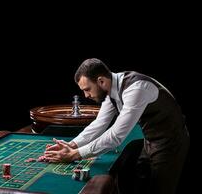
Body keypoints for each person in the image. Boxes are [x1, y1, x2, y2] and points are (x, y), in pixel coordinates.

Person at [45, 58, 190, 194]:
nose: (86, 95)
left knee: (159, 189)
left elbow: (115, 136)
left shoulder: (136, 89)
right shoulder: (110, 89)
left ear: (101, 81)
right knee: (139, 182)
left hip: (172, 142)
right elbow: (99, 124)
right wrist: (72, 145)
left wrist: (74, 155)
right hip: (150, 140)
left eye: (87, 89)